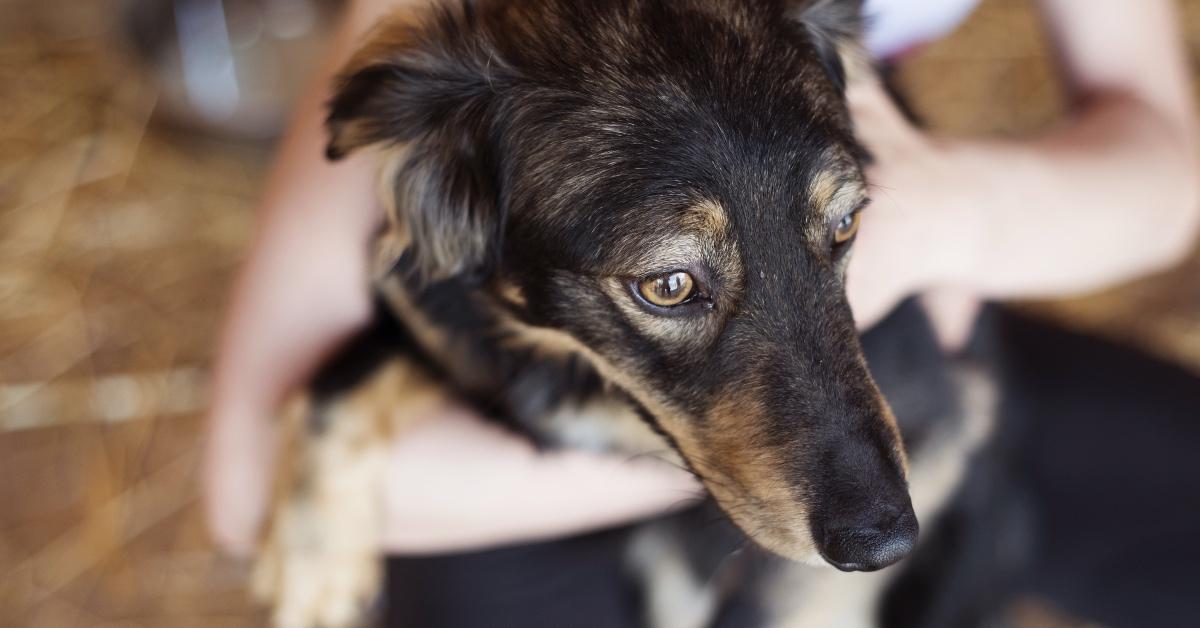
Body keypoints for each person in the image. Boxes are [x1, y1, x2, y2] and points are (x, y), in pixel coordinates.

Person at [203, 0, 1199, 624]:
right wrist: (700, 482)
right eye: (672, 282)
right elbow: (244, 491)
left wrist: (950, 216)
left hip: (921, 350)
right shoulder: (452, 90)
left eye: (840, 223)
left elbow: (1165, 169)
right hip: (514, 485)